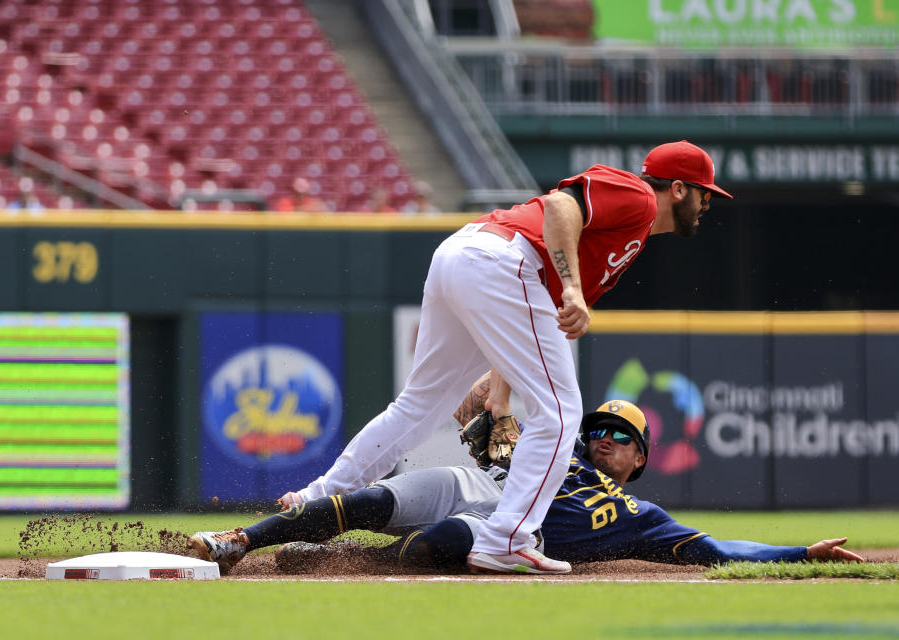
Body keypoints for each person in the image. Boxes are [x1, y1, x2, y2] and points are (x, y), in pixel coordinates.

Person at [275, 140, 733, 574]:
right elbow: (559, 207)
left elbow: (529, 323)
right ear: (677, 188)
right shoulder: (640, 198)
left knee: (417, 407)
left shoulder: (627, 239)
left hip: (468, 257)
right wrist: (572, 287)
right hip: (504, 261)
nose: (707, 205)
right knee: (560, 412)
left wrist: (500, 393)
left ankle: (312, 503)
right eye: (703, 194)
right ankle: (507, 540)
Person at [187, 398, 863, 575]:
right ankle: (237, 542)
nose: (606, 439)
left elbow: (717, 549)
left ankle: (328, 562)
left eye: (622, 438)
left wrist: (799, 554)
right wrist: (490, 401)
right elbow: (486, 410)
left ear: (639, 461)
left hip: (507, 528)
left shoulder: (639, 514)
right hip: (475, 485)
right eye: (599, 429)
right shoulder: (546, 444)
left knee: (440, 544)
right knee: (370, 500)